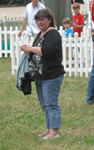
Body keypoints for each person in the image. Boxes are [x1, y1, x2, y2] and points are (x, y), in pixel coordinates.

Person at [21, 8, 64, 139]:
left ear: (49, 20)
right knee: (45, 104)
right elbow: (36, 50)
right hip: (40, 75)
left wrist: (31, 49)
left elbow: (47, 51)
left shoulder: (53, 34)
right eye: (38, 20)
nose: (40, 22)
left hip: (51, 75)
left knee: (51, 103)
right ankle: (49, 128)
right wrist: (28, 49)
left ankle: (54, 132)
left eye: (42, 19)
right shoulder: (41, 34)